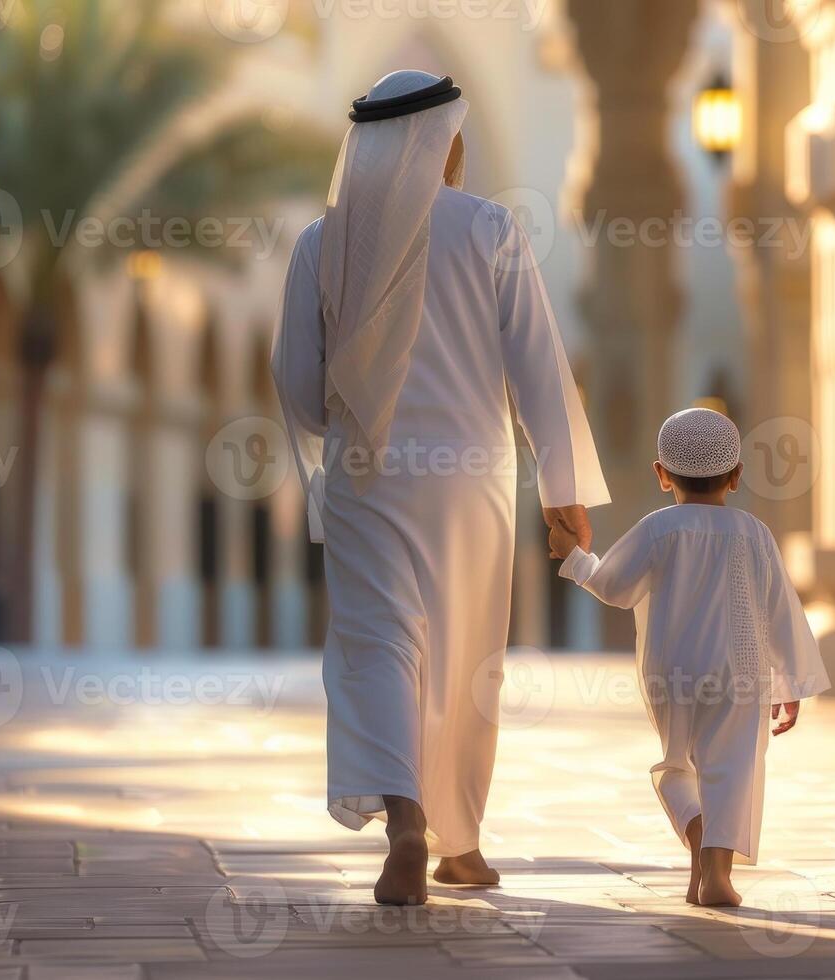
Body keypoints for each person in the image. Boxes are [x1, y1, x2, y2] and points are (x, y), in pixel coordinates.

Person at [272, 69, 608, 906]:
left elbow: (296, 380)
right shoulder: (491, 228)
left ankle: (406, 824)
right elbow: (539, 366)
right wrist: (562, 490)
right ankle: (461, 843)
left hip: (366, 476)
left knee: (380, 644)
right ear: (441, 143)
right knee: (464, 653)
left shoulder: (322, 242)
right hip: (471, 480)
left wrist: (346, 418)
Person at [547, 408, 829, 906]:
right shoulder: (755, 533)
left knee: (677, 765)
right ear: (737, 475)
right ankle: (717, 874)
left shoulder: (659, 528)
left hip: (672, 673)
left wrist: (573, 557)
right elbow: (781, 609)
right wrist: (789, 683)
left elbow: (613, 585)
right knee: (731, 769)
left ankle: (694, 829)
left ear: (661, 474)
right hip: (741, 673)